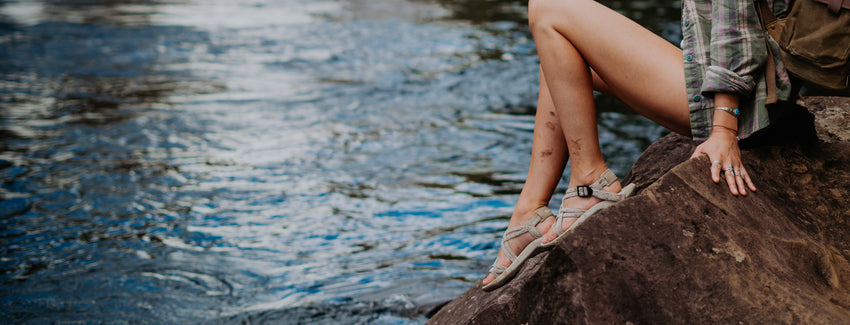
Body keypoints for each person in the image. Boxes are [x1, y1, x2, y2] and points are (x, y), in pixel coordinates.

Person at [482, 0, 795, 291]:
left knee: (548, 8)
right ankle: (529, 210)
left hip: (750, 97)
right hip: (750, 84)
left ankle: (589, 181)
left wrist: (724, 128)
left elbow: (736, 27)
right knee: (561, 52)